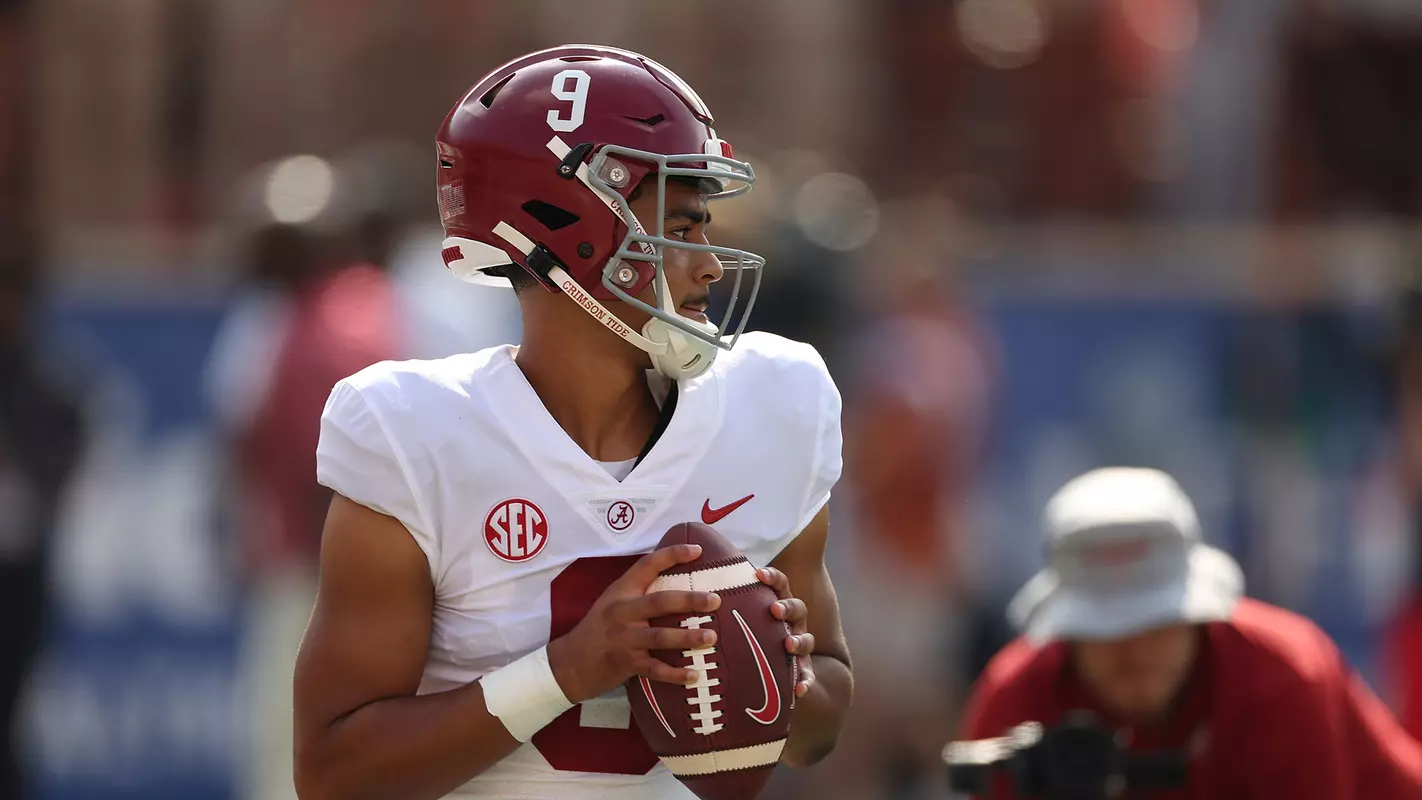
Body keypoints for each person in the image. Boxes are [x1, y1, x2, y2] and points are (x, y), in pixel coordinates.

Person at [293, 44, 853, 799]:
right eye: (679, 226)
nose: (710, 263)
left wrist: (776, 677)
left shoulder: (774, 402)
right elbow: (333, 776)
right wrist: (565, 671)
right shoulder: (415, 434)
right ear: (572, 229)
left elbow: (820, 727)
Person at [961, 467, 1422, 799]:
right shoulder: (1015, 702)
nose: (1135, 650)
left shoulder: (1285, 679)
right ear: (1070, 637)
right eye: (1108, 630)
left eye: (1156, 624)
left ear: (1195, 616)